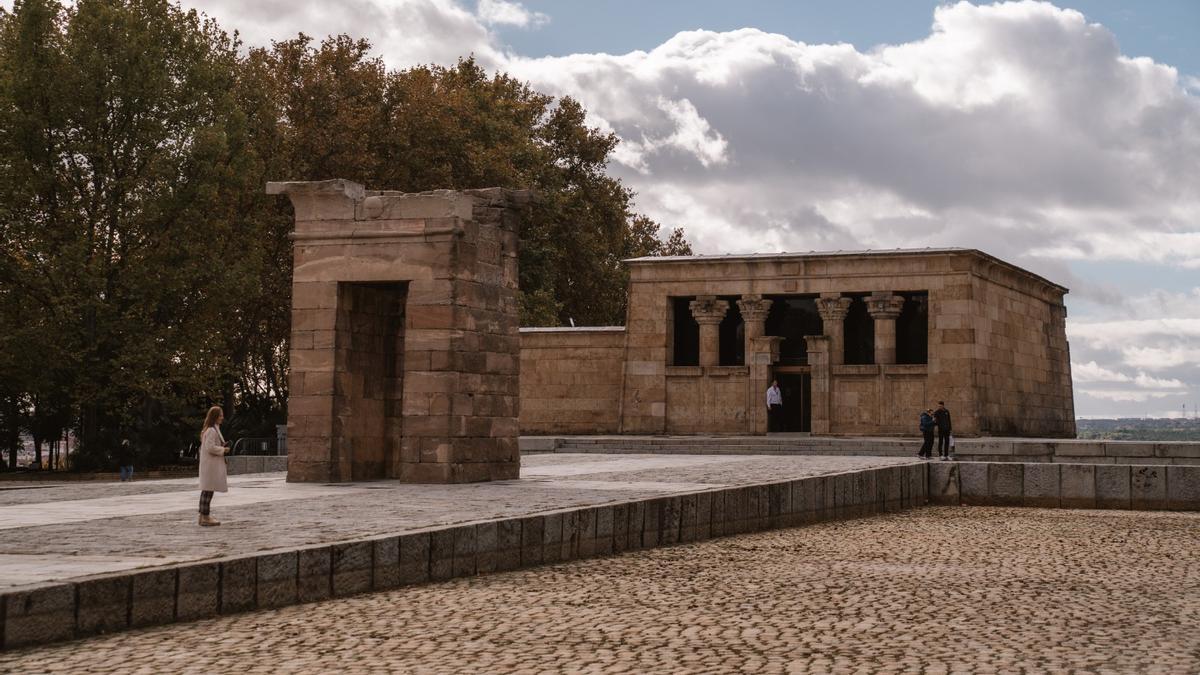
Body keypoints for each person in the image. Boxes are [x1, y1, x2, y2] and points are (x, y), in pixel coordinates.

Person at [198, 405, 230, 526]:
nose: (222, 417)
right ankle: (205, 516)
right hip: (210, 465)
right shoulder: (211, 430)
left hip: (210, 465)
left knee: (207, 490)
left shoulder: (212, 429)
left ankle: (203, 516)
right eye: (220, 415)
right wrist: (223, 449)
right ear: (215, 417)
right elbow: (210, 447)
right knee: (208, 490)